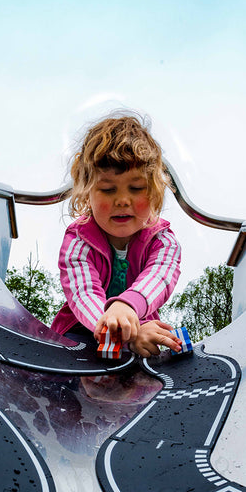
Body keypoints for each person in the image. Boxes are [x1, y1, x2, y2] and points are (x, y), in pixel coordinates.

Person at [51, 113, 182, 357]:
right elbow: (83, 292)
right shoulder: (78, 240)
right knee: (66, 359)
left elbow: (159, 277)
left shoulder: (162, 241)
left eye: (136, 188)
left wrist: (128, 310)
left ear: (154, 191)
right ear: (87, 193)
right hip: (82, 331)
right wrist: (118, 329)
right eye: (108, 189)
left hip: (140, 324)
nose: (122, 200)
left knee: (158, 353)